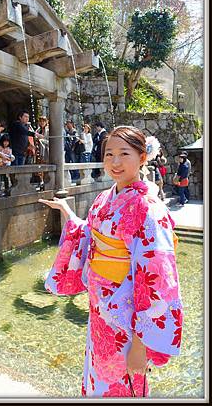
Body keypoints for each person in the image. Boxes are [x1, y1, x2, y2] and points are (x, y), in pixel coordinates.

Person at [39, 126, 182, 397]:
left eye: (124, 154)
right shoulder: (104, 199)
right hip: (100, 311)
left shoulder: (148, 208)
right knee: (98, 377)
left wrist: (141, 345)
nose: (115, 162)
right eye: (109, 154)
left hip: (126, 318)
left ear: (142, 157)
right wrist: (69, 212)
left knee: (124, 382)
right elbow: (91, 236)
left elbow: (158, 278)